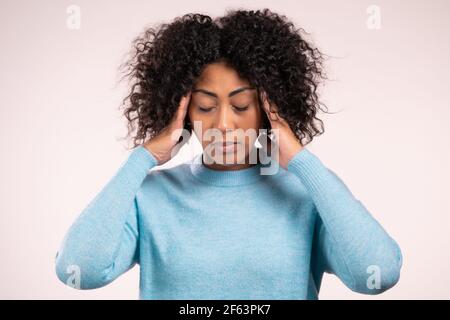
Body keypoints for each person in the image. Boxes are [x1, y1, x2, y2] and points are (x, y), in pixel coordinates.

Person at [55, 9, 402, 299]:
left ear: (268, 109)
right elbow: (80, 271)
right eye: (205, 106)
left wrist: (300, 160)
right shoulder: (150, 197)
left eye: (241, 105)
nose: (223, 124)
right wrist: (142, 158)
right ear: (184, 112)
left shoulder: (305, 194)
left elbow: (377, 273)